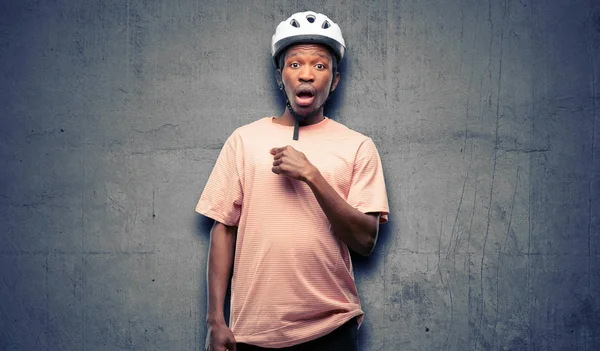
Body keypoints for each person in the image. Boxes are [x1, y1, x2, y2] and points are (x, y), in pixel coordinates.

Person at [196, 11, 390, 351]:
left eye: (319, 66)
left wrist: (312, 175)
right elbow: (223, 228)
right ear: (279, 76)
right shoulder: (244, 140)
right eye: (295, 64)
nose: (307, 75)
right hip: (254, 333)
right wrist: (215, 320)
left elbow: (365, 241)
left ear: (335, 80)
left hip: (332, 328)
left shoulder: (358, 146)